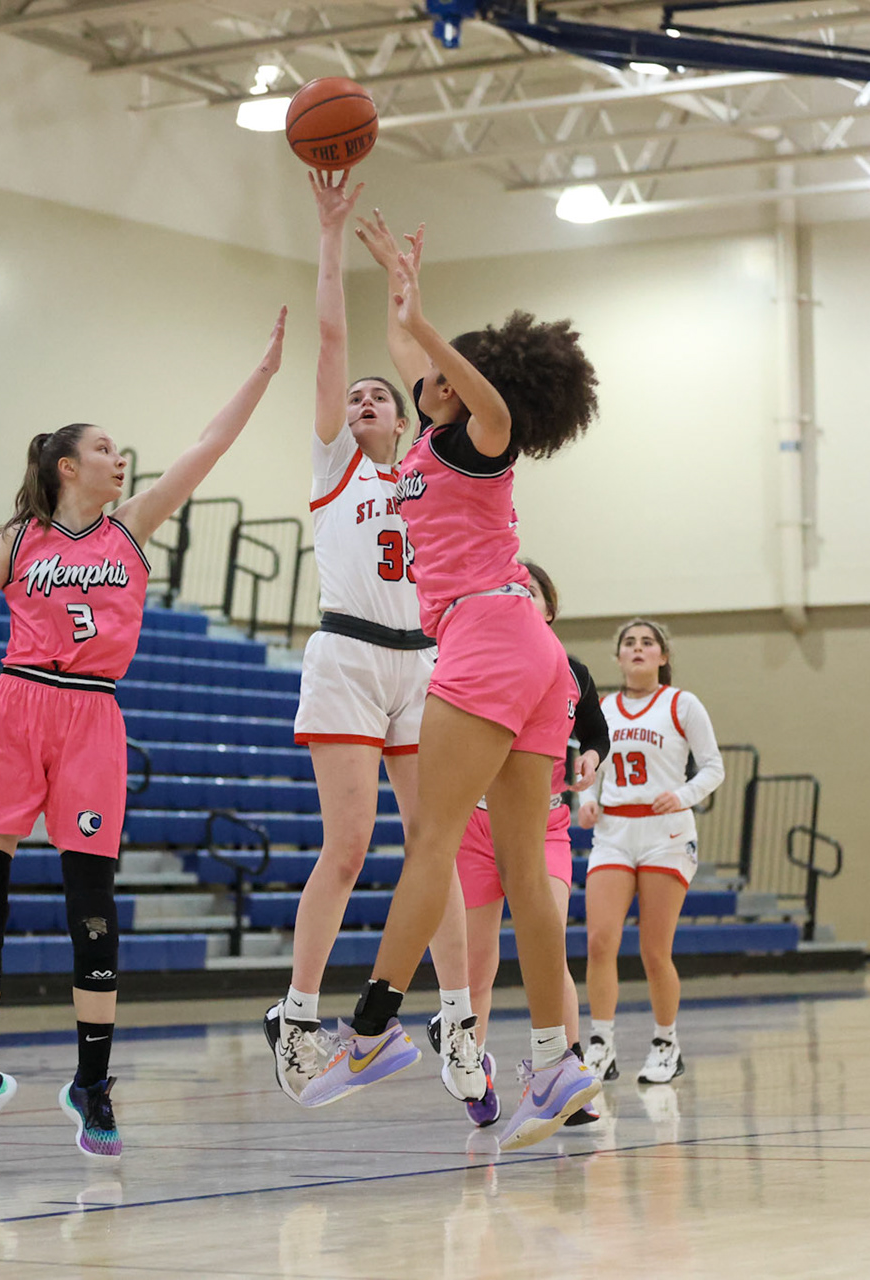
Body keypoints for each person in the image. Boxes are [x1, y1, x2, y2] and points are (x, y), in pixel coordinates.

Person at [0, 309, 287, 1159]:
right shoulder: (20, 540)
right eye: (104, 449)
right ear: (66, 465)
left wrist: (265, 372)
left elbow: (208, 445)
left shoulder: (132, 525)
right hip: (14, 708)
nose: (119, 459)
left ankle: (92, 1085)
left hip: (91, 715)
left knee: (90, 908)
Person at [300, 211, 602, 1152]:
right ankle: (556, 1058)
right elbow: (401, 344)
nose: (423, 376)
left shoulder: (486, 437)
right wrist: (393, 282)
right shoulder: (428, 445)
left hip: (490, 639)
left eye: (439, 372)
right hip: (529, 653)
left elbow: (462, 380)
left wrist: (429, 325)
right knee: (521, 871)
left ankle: (373, 1029)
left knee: (430, 839)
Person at [265, 169, 484, 1109]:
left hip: (421, 662)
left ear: (401, 414)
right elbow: (330, 339)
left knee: (437, 846)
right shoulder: (333, 468)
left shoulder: (429, 467)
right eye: (349, 397)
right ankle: (297, 1019)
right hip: (349, 655)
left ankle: (462, 1023)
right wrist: (330, 236)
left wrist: (411, 291)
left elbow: (438, 374)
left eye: (375, 395)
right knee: (350, 848)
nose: (359, 399)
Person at [445, 560, 607, 1128]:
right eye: (507, 587)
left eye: (528, 589)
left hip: (544, 827)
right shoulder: (473, 660)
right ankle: (472, 1065)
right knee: (477, 962)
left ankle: (564, 1072)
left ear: (549, 607)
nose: (516, 595)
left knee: (550, 946)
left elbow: (595, 731)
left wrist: (590, 756)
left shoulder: (572, 670)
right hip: (477, 829)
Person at [577, 619, 723, 1087]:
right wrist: (586, 800)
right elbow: (587, 768)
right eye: (629, 643)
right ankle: (601, 1043)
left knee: (654, 950)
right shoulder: (600, 707)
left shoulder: (682, 704)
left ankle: (666, 1043)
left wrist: (681, 795)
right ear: (618, 658)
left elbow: (714, 768)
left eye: (648, 643)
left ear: (663, 657)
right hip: (615, 831)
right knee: (600, 940)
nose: (637, 649)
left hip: (666, 833)